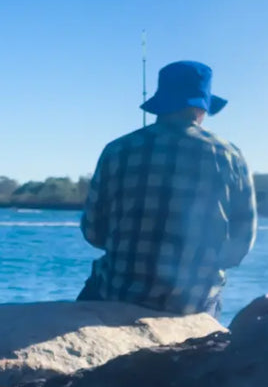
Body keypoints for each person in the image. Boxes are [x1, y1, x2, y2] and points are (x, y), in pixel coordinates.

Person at [78, 60, 256, 316]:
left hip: (115, 295)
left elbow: (93, 232)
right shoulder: (230, 156)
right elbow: (240, 246)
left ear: (160, 105)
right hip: (193, 305)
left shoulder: (117, 150)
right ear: (201, 108)